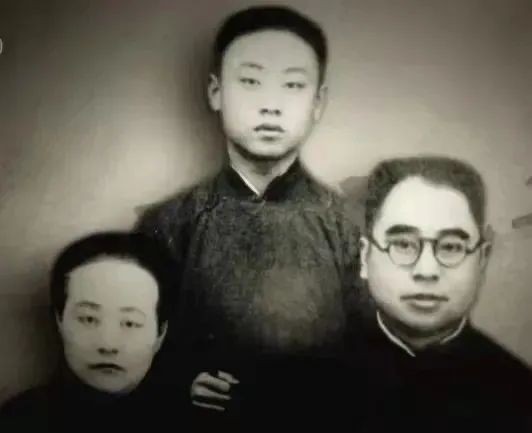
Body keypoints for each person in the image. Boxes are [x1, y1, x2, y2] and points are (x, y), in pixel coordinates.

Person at [135, 5, 362, 431]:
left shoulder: (351, 228)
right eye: (251, 81)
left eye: (292, 85)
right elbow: (130, 353)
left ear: (318, 103)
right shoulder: (167, 225)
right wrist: (180, 384)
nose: (271, 106)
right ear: (216, 92)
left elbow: (379, 365)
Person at [353, 156, 532, 432]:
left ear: (481, 260)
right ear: (365, 257)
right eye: (403, 244)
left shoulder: (520, 394)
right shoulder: (306, 383)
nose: (427, 271)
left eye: (450, 247)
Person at [0, 232, 180, 431]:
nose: (108, 345)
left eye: (130, 323)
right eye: (89, 319)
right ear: (59, 320)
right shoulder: (19, 421)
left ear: (160, 334)